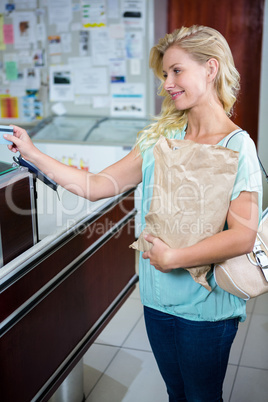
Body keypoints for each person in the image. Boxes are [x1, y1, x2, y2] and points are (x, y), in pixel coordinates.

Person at [5, 25, 263, 402]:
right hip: (156, 300)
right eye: (165, 74)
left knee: (202, 396)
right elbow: (96, 186)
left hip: (207, 310)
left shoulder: (238, 147)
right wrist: (33, 153)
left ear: (211, 68)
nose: (168, 83)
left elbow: (242, 235)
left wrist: (175, 257)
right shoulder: (159, 139)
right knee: (176, 393)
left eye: (177, 70)